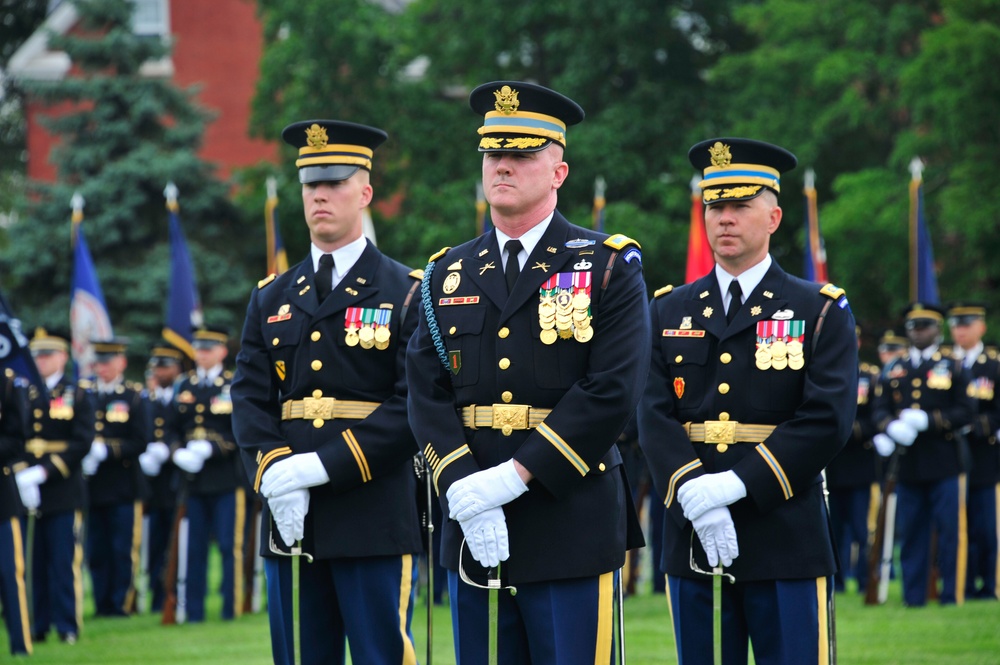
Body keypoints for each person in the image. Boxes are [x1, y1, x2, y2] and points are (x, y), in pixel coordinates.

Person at [406, 81, 648, 664]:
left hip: (570, 516)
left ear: (559, 171)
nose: (503, 166)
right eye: (494, 153)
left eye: (522, 153)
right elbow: (424, 387)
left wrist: (514, 477)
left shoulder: (607, 265)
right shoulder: (447, 273)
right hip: (472, 515)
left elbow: (611, 390)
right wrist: (464, 483)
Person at [637, 138, 857, 665]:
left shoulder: (818, 309)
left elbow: (826, 419)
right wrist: (693, 489)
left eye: (740, 205)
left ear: (775, 216)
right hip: (692, 529)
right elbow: (651, 412)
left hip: (784, 530)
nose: (725, 219)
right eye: (715, 206)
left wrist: (735, 485)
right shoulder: (669, 310)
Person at [231, 119, 424, 665]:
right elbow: (248, 397)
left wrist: (320, 467)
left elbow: (412, 404)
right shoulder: (271, 296)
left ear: (364, 192)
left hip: (371, 510)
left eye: (335, 182)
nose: (319, 195)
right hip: (291, 513)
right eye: (310, 183)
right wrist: (273, 470)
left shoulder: (405, 291)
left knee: (380, 655)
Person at [872, 302, 974, 606]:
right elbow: (879, 408)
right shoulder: (895, 367)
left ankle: (951, 594)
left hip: (944, 461)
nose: (919, 332)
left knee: (949, 531)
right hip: (908, 464)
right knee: (912, 531)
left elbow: (966, 411)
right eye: (914, 328)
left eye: (925, 327)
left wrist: (931, 420)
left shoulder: (953, 365)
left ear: (937, 330)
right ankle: (912, 596)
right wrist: (888, 427)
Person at [16, 328, 95, 644]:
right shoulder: (25, 393)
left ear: (62, 356)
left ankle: (67, 625)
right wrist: (24, 472)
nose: (41, 361)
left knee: (64, 560)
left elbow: (82, 441)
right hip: (28, 486)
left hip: (62, 486)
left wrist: (45, 471)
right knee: (35, 561)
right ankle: (39, 623)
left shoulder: (77, 393)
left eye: (47, 355)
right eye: (37, 355)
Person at [170, 326, 245, 622]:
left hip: (226, 476)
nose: (202, 354)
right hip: (193, 479)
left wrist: (212, 449)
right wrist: (177, 450)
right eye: (198, 349)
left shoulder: (233, 384)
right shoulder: (184, 385)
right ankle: (193, 611)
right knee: (194, 546)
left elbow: (241, 429)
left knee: (229, 545)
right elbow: (170, 427)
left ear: (222, 352)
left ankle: (231, 608)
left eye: (208, 348)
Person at [83, 338, 149, 617]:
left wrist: (106, 450)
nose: (103, 367)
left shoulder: (133, 395)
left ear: (121, 362)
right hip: (93, 485)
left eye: (108, 362)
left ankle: (121, 602)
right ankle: (101, 603)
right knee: (96, 549)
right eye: (99, 362)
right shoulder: (86, 393)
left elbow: (141, 440)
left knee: (122, 548)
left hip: (123, 484)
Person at [946, 302, 999, 600]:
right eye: (956, 324)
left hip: (984, 455)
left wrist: (975, 424)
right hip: (952, 455)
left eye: (967, 324)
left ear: (981, 327)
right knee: (957, 526)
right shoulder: (945, 363)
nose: (961, 330)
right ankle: (961, 585)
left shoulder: (993, 366)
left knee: (986, 526)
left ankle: (990, 585)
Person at [826, 326, 882, 594]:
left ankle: (864, 579)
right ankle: (837, 581)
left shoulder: (870, 376)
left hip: (860, 464)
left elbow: (877, 416)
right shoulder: (826, 371)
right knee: (834, 528)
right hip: (833, 464)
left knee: (862, 528)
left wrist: (848, 430)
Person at [137, 341, 185, 612]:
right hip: (152, 485)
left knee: (175, 541)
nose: (159, 372)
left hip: (176, 481)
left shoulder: (183, 399)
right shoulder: (146, 400)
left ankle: (174, 592)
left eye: (165, 366)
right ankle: (155, 596)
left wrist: (170, 449)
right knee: (153, 543)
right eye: (156, 367)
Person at [0, 368, 31, 655]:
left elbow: (17, 437)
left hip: (1, 494)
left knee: (10, 572)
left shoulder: (7, 384)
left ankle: (20, 645)